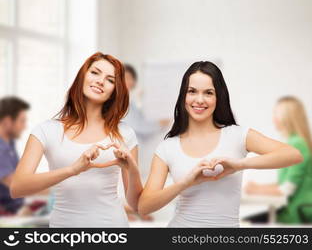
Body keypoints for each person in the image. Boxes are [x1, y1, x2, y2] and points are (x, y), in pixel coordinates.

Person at [138, 61, 303, 227]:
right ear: (183, 96)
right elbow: (144, 206)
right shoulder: (168, 147)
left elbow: (293, 155)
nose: (199, 100)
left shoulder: (238, 135)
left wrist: (239, 165)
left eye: (208, 93)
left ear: (218, 97)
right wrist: (185, 183)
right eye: (192, 91)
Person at [10, 52, 143, 227]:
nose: (101, 81)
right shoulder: (47, 130)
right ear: (82, 76)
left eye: (110, 80)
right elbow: (18, 187)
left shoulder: (124, 133)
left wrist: (132, 169)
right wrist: (73, 169)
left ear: (114, 91)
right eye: (95, 72)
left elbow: (136, 204)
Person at [244, 96, 312, 224]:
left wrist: (256, 190)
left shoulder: (297, 144)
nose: (273, 119)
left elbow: (286, 189)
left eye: (276, 114)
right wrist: (258, 187)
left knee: (246, 224)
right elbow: (286, 183)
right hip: (292, 210)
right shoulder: (295, 142)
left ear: (287, 118)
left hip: (297, 213)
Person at [123, 64, 170, 221]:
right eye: (122, 77)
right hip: (121, 147)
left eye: (129, 78)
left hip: (133, 147)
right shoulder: (122, 103)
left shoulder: (130, 102)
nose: (125, 81)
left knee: (132, 180)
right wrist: (159, 124)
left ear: (134, 82)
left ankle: (133, 209)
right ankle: (129, 210)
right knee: (126, 180)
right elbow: (140, 125)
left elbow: (139, 126)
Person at [0, 96, 29, 215]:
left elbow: (22, 177)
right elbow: (16, 184)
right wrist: (58, 188)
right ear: (7, 122)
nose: (24, 126)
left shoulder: (9, 144)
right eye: (22, 121)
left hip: (16, 210)